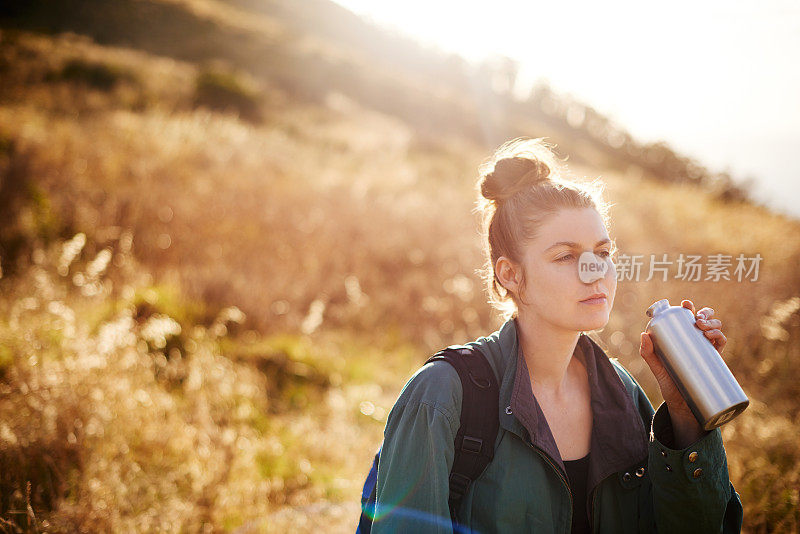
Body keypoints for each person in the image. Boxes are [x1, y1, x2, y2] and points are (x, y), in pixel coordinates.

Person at [371, 138, 743, 533]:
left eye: (603, 253)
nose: (595, 271)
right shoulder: (441, 395)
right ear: (510, 274)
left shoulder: (623, 391)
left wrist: (686, 421)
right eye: (566, 256)